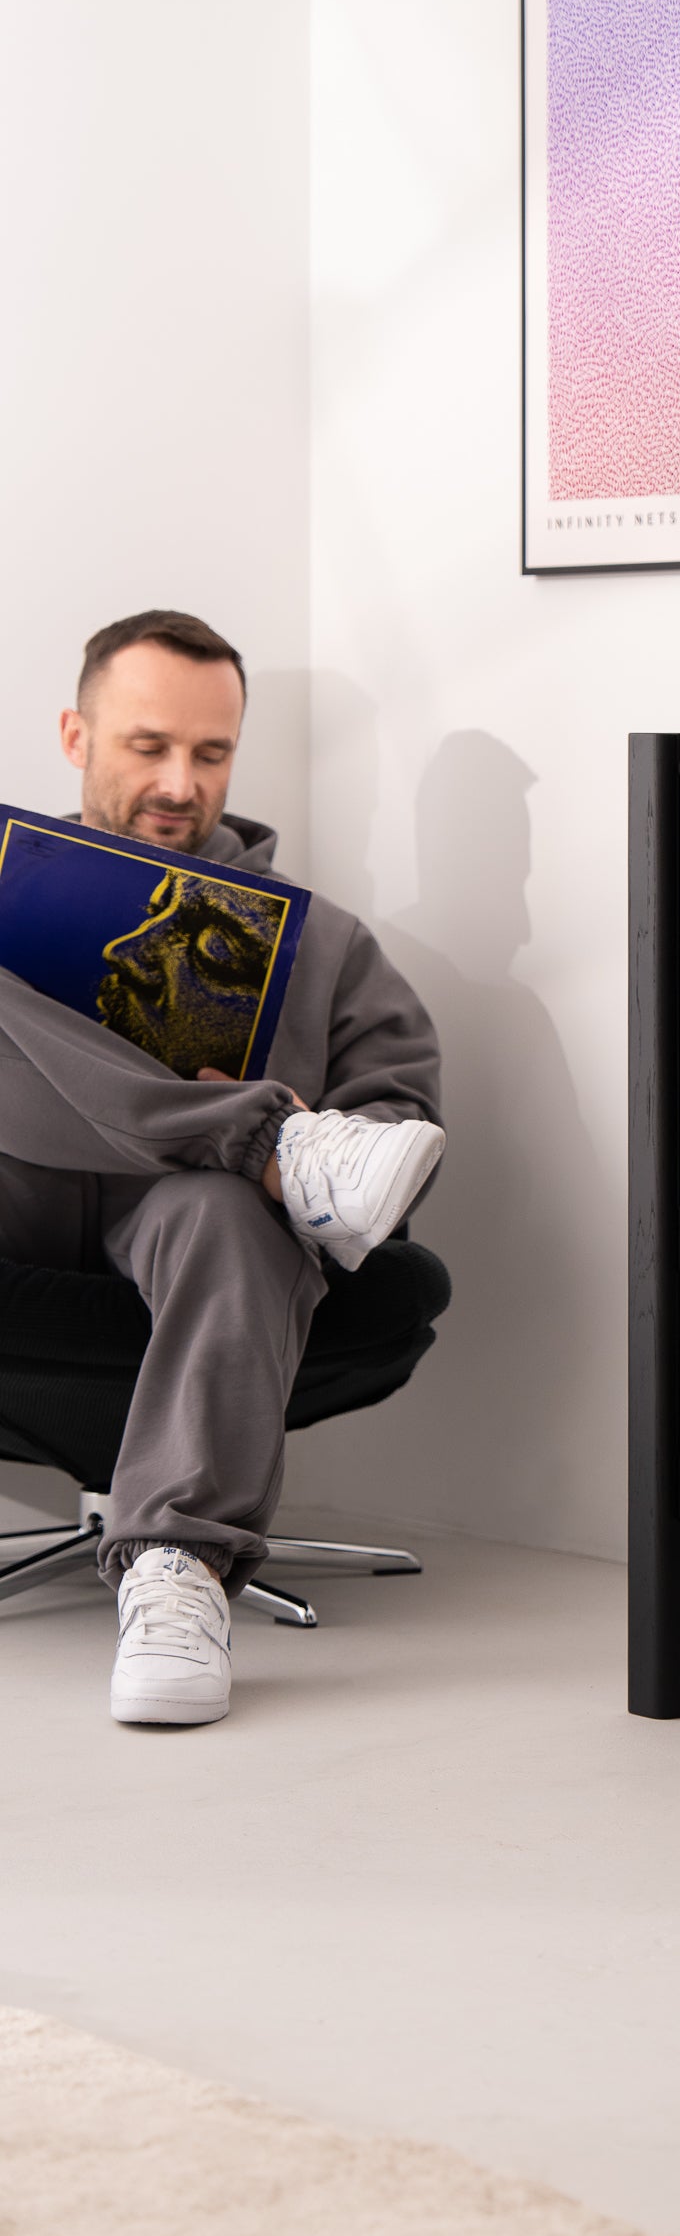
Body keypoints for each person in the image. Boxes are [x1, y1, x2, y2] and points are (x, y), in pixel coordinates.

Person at [0, 610, 444, 1731]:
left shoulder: (326, 945)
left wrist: (300, 1154)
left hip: (178, 1229)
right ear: (75, 735)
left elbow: (397, 1130)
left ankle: (178, 1571)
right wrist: (264, 1133)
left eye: (210, 753)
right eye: (147, 746)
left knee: (230, 1216)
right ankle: (258, 1135)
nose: (179, 782)